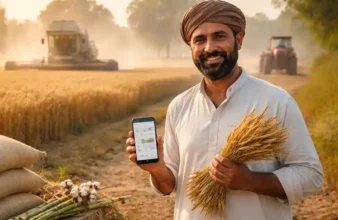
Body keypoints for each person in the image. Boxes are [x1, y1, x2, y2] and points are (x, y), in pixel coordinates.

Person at [125, 1, 324, 219]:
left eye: (219, 36)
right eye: (199, 40)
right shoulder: (179, 106)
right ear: (191, 48)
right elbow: (169, 185)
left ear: (238, 40)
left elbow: (311, 175)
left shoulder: (277, 101)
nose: (209, 48)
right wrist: (157, 169)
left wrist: (250, 181)